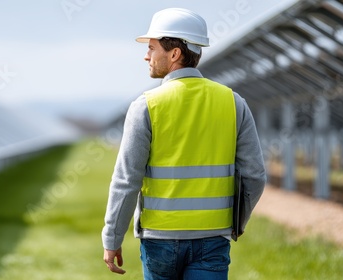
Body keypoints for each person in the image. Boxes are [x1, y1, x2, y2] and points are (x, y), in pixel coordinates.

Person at [102, 8, 266, 280]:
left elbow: (126, 180)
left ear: (175, 54)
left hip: (160, 239)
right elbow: (254, 176)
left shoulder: (146, 106)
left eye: (152, 48)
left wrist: (112, 237)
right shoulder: (233, 102)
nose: (146, 55)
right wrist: (236, 223)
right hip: (213, 237)